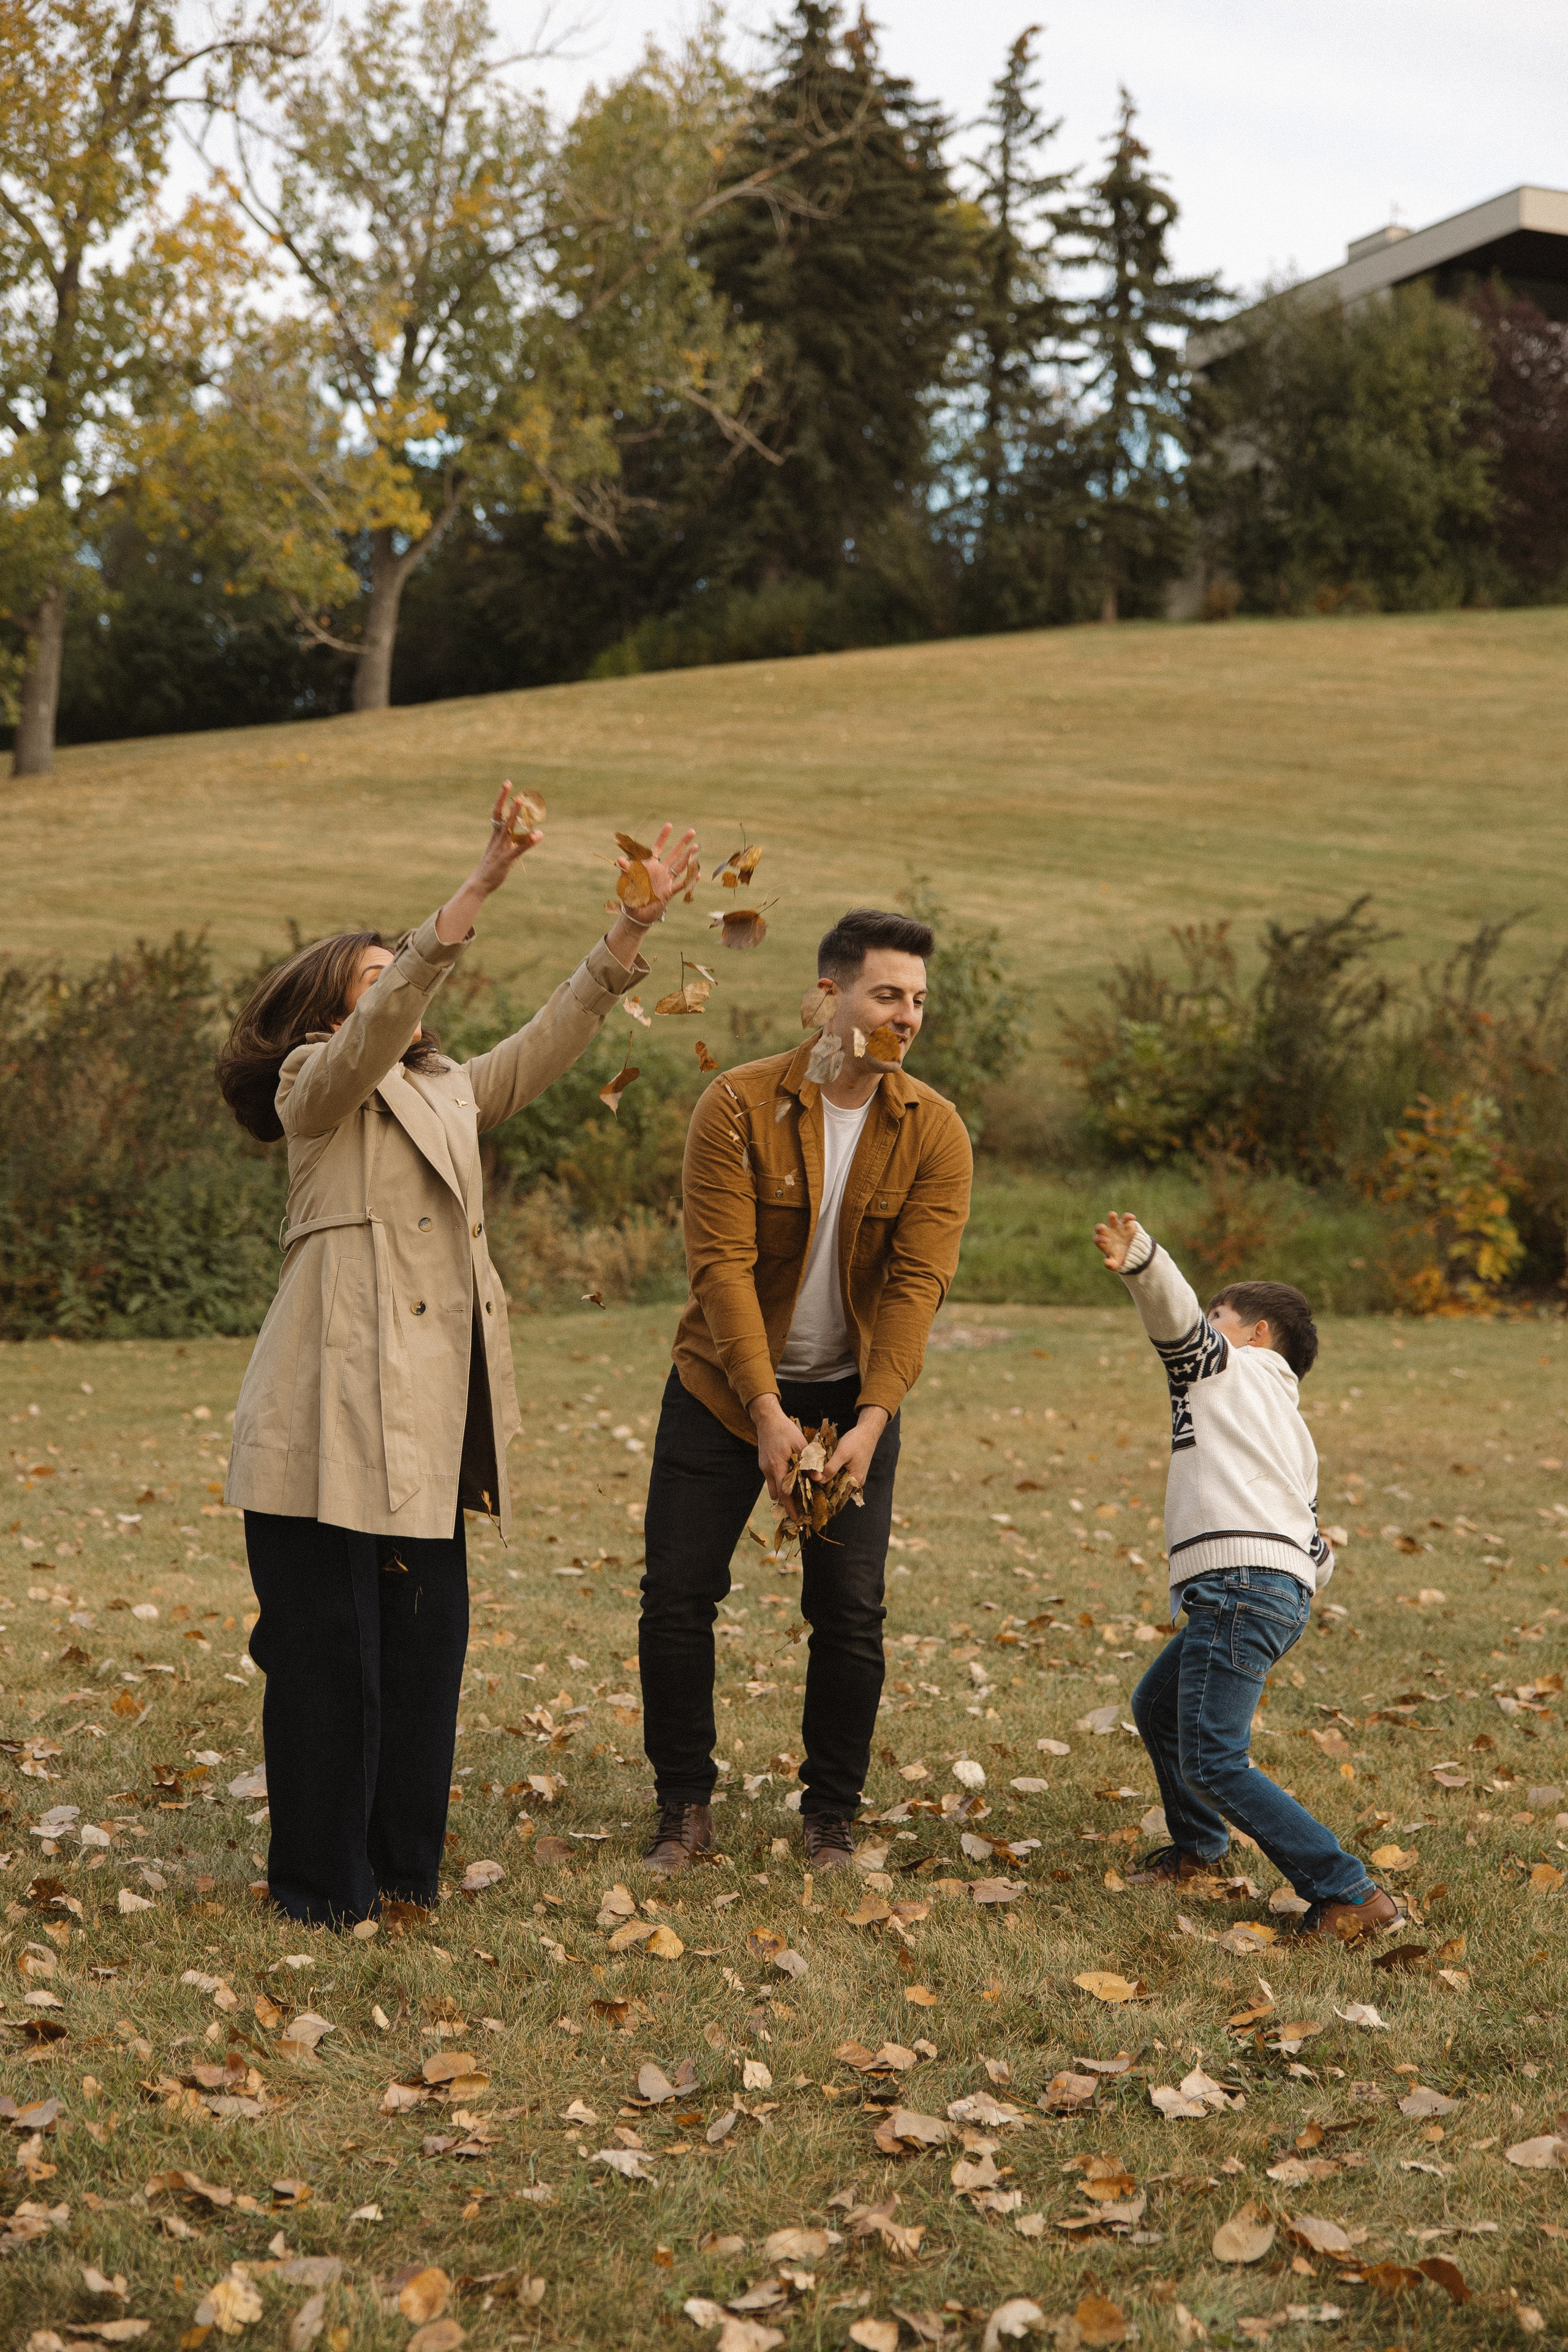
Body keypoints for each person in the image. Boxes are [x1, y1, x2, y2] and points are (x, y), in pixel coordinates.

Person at [217, 786, 696, 1926]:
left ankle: (400, 1876)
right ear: (334, 1008)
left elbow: (544, 1044)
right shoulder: (313, 1090)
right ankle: (317, 1893)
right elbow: (372, 1030)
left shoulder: (444, 1093)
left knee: (424, 1663)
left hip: (429, 1423)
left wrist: (626, 933)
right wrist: (475, 888)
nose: (406, 993)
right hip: (322, 1415)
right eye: (379, 977)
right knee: (330, 1664)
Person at [636, 907, 973, 1875]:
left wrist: (872, 1419)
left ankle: (831, 1817)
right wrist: (763, 1412)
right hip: (720, 1387)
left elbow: (917, 1284)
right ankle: (683, 1809)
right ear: (830, 997)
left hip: (853, 1398)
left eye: (917, 1000)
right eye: (886, 996)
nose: (906, 1017)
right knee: (678, 1598)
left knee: (851, 1610)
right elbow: (722, 1268)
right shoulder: (736, 1105)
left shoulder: (934, 1130)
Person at [1093, 1211, 1398, 1942]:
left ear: (1256, 1333)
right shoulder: (1285, 1421)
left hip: (1238, 1586)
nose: (1204, 1323)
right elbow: (1315, 1536)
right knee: (1158, 1706)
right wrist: (1306, 1573)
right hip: (1272, 1590)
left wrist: (1144, 1261)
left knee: (1212, 1756)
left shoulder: (1226, 1367)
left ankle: (1347, 1890)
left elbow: (1174, 1321)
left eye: (1218, 1315)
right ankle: (1199, 1848)